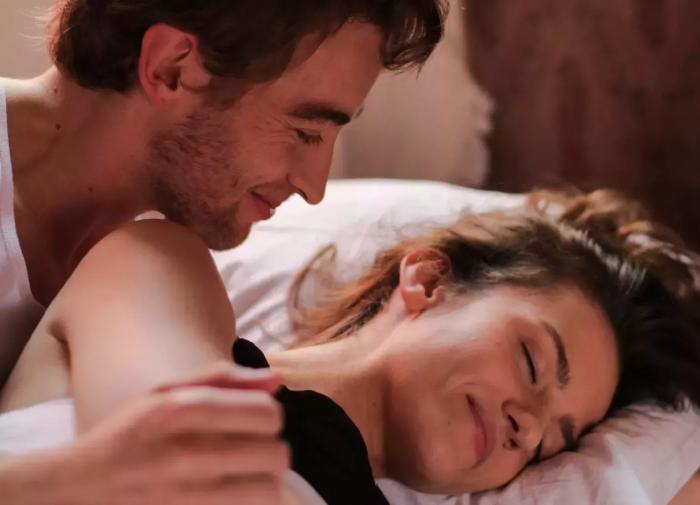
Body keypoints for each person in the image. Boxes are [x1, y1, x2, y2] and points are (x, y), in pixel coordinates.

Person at [0, 189, 700, 503]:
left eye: (555, 442)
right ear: (428, 280)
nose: (527, 428)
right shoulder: (161, 269)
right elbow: (168, 476)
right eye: (531, 361)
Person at [0, 1, 446, 503]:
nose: (314, 186)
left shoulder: (155, 269)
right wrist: (66, 479)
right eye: (305, 132)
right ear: (171, 68)